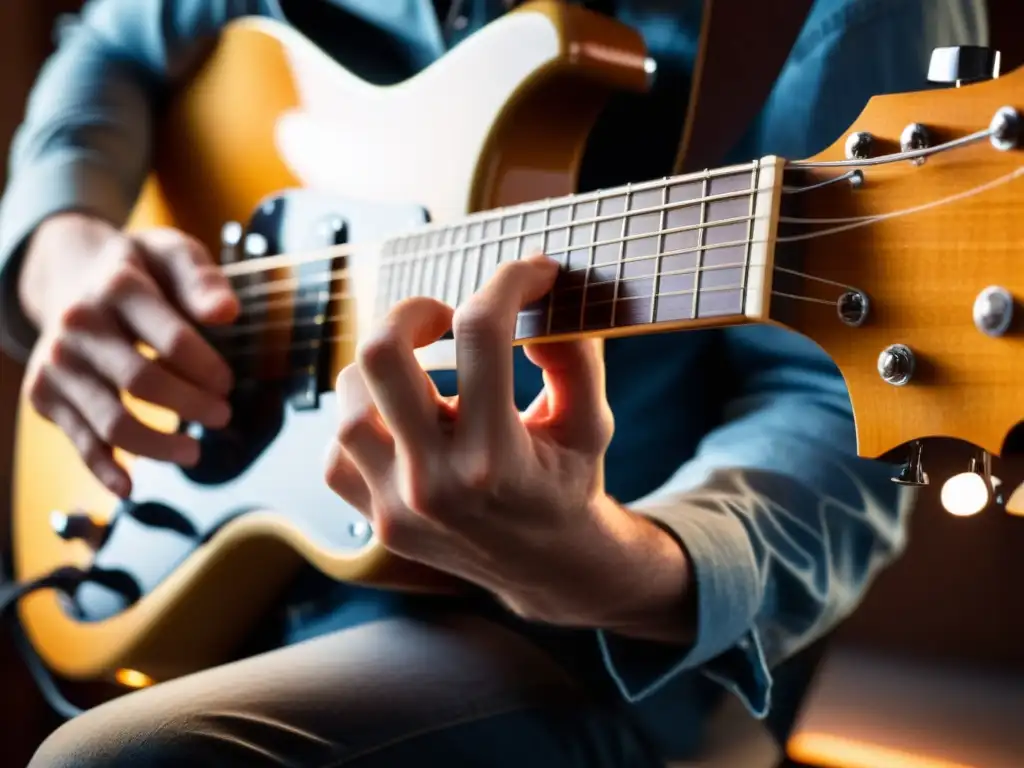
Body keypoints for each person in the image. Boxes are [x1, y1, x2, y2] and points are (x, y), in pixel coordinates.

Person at [0, 0, 987, 765]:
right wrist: (61, 248)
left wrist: (613, 564)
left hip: (582, 643)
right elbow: (112, 43)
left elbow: (832, 413)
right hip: (217, 547)